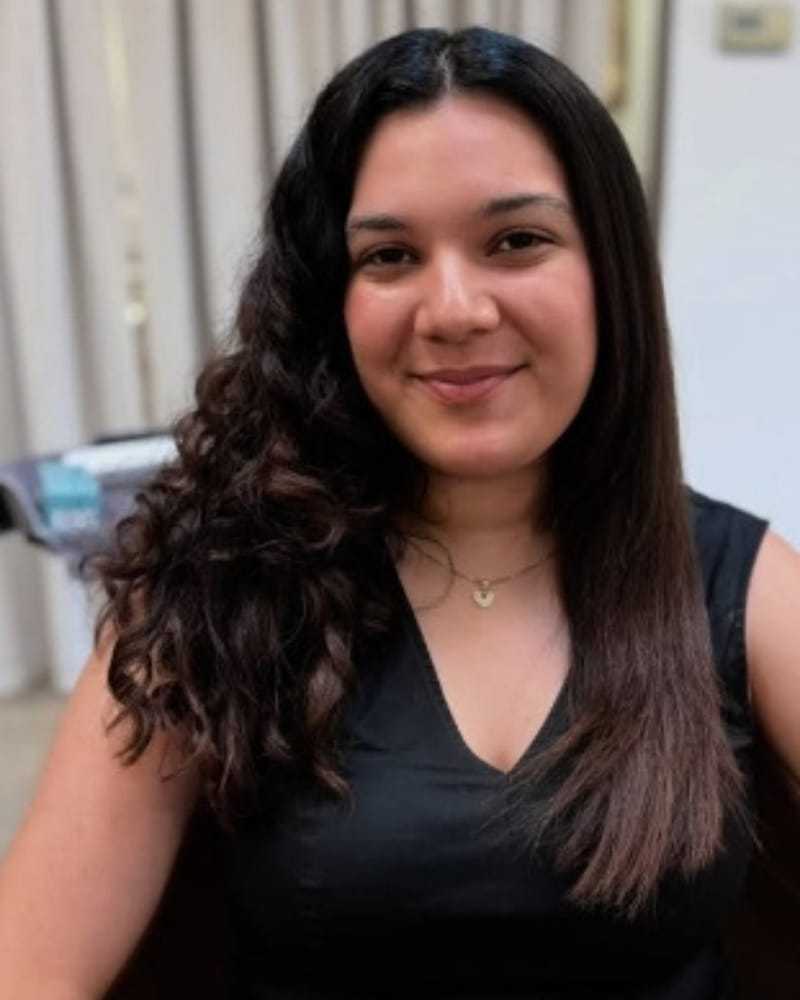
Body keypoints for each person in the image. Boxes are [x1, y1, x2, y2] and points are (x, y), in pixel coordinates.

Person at [1, 25, 798, 1000]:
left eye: (516, 240)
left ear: (610, 275)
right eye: (389, 255)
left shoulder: (743, 584)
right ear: (332, 299)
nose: (453, 308)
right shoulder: (205, 599)